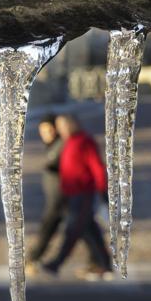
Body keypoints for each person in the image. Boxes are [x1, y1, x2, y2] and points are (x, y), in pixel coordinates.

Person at [26, 114, 111, 281]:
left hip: (83, 193)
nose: (60, 130)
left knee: (73, 231)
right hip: (72, 195)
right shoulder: (69, 142)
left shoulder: (84, 141)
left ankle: (56, 263)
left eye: (63, 126)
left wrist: (102, 191)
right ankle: (103, 264)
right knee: (90, 231)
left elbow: (97, 167)